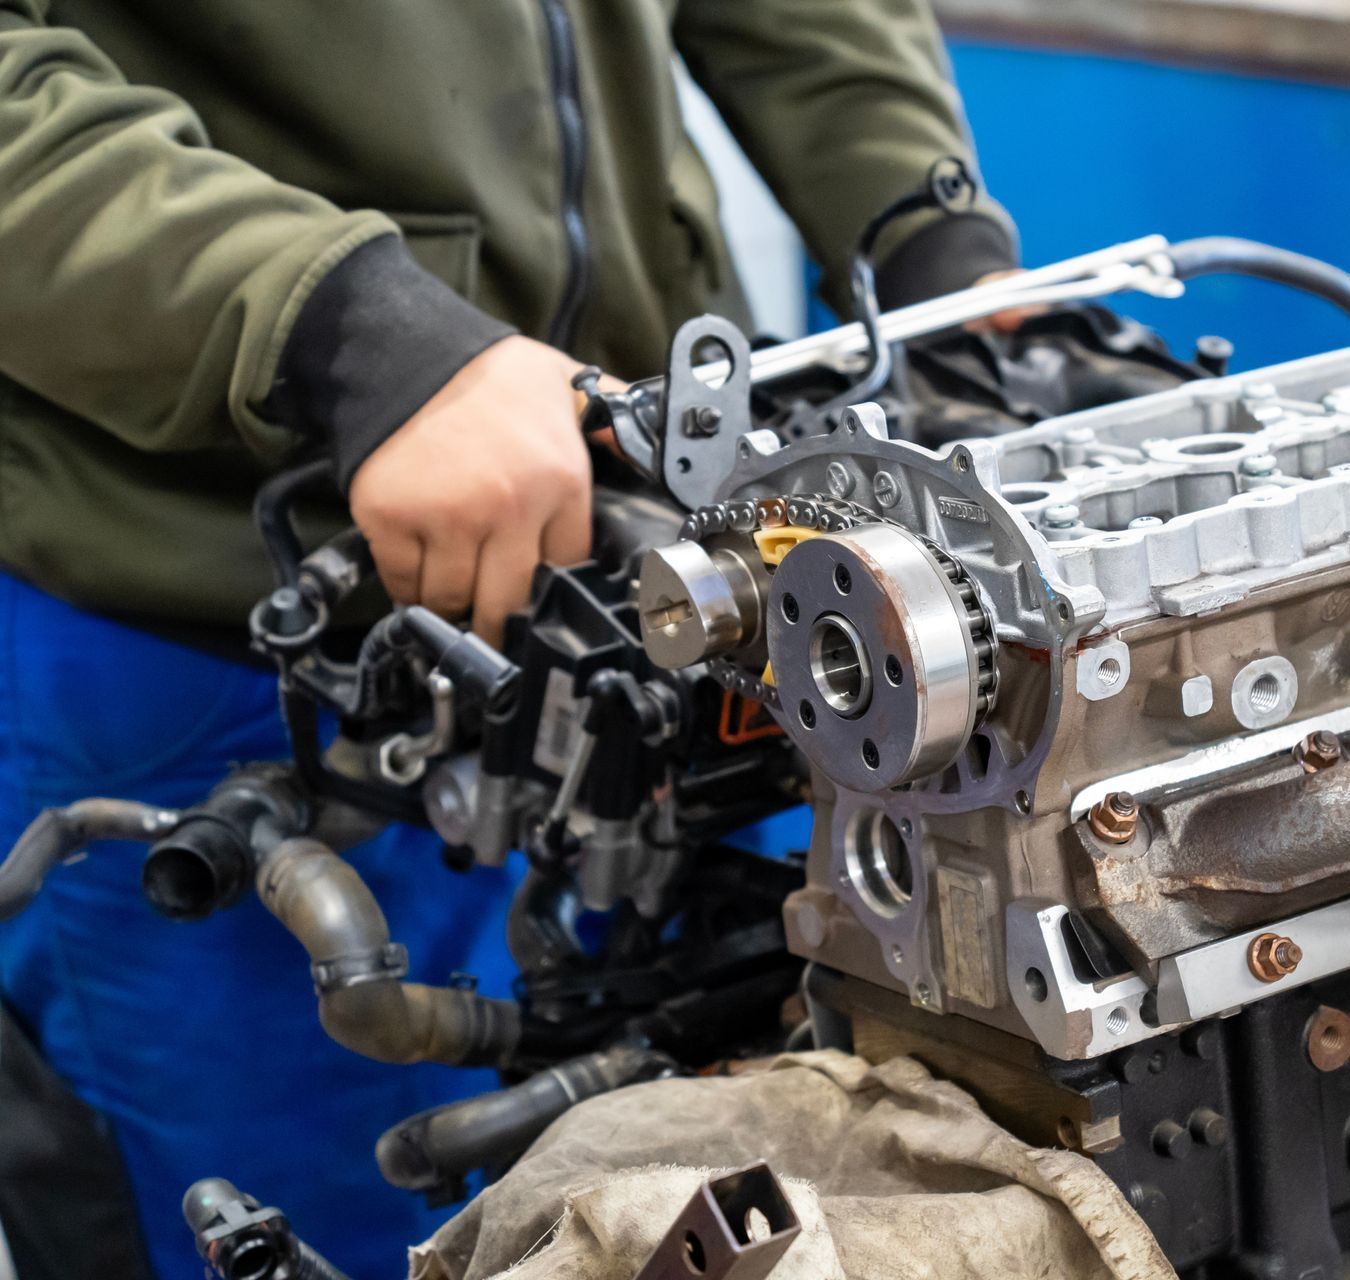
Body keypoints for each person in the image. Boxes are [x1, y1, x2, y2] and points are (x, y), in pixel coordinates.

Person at [0, 4, 1019, 1278]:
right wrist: (341, 326)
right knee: (303, 1224)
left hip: (670, 578)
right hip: (227, 624)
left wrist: (933, 239)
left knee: (713, 1183)